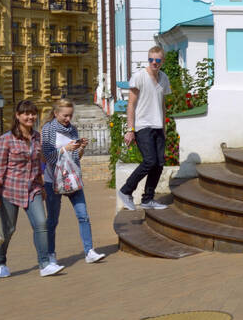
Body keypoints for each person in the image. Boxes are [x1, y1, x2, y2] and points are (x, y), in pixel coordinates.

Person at [0, 100, 63, 278]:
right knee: (8, 230)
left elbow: (37, 164)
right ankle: (0, 262)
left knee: (41, 224)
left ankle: (44, 264)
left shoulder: (37, 137)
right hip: (9, 190)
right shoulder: (5, 139)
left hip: (33, 188)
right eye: (26, 113)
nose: (30, 116)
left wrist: (42, 184)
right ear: (17, 116)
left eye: (33, 113)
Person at [41, 99, 104, 265]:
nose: (68, 119)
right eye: (65, 115)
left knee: (83, 216)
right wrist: (64, 149)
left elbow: (76, 158)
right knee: (53, 220)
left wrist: (80, 148)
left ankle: (89, 251)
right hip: (53, 180)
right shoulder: (48, 129)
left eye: (70, 115)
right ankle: (51, 255)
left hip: (72, 179)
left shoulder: (73, 129)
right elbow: (46, 155)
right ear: (56, 114)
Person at [116, 47, 172, 211]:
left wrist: (164, 128)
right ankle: (126, 191)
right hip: (142, 126)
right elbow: (131, 104)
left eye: (157, 60)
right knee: (150, 161)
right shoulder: (139, 77)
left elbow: (162, 104)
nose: (154, 63)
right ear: (148, 60)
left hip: (158, 126)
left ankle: (148, 199)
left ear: (162, 61)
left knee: (159, 163)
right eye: (151, 60)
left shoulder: (164, 78)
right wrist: (130, 129)